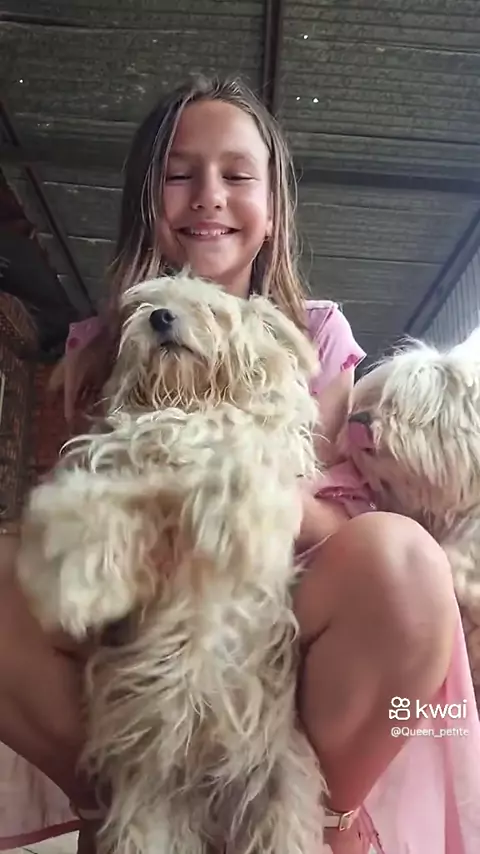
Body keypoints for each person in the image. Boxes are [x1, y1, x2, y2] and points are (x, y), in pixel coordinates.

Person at [0, 75, 478, 854]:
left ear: (274, 208)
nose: (208, 196)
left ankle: (326, 815)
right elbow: (73, 519)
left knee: (403, 561)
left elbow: (336, 510)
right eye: (179, 174)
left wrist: (250, 498)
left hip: (279, 613)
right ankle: (118, 800)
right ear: (146, 201)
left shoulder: (314, 335)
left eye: (236, 174)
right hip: (140, 628)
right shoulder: (103, 342)